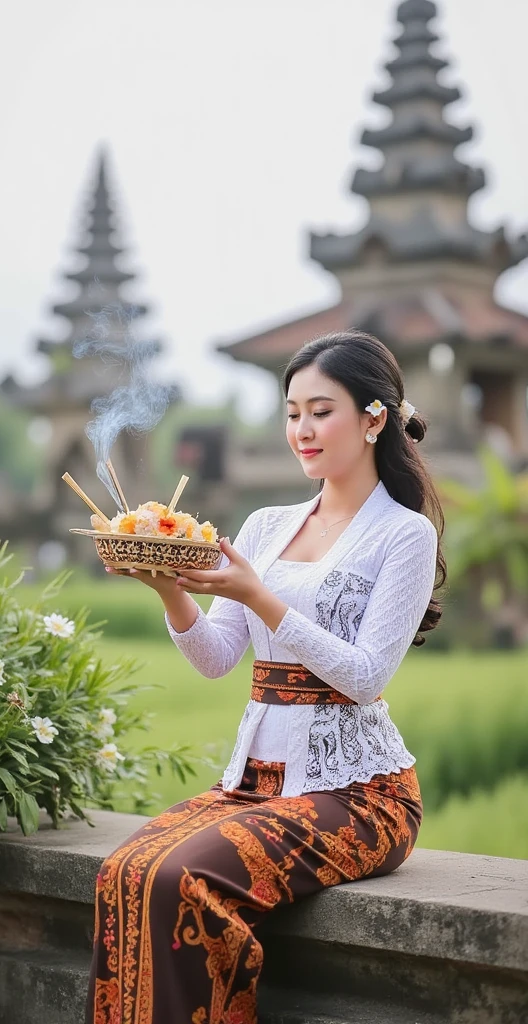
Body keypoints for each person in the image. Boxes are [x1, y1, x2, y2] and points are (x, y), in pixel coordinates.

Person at [86, 330, 447, 1024]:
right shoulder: (265, 525)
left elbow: (367, 677)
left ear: (374, 419)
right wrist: (169, 589)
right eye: (291, 413)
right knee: (123, 873)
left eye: (320, 410)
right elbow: (220, 656)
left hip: (361, 795)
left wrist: (260, 597)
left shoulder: (404, 534)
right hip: (260, 784)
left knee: (180, 876)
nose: (301, 430)